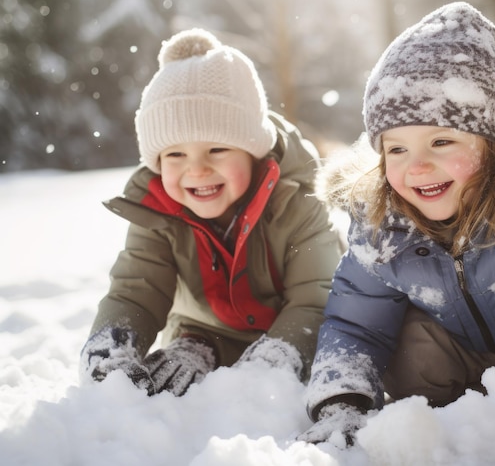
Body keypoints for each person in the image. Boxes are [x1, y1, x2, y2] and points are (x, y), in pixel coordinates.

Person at [298, 2, 495, 447]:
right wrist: (342, 401)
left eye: (440, 141)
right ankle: (460, 415)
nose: (418, 166)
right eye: (396, 150)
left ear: (494, 144)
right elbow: (355, 324)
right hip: (456, 354)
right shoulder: (381, 228)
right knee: (407, 347)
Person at [78, 28, 344, 396]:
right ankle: (201, 348)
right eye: (175, 154)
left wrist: (274, 359)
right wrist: (111, 343)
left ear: (253, 150)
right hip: (201, 332)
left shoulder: (298, 201)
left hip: (293, 335)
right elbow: (136, 289)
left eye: (217, 149)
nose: (197, 169)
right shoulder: (156, 209)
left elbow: (317, 299)